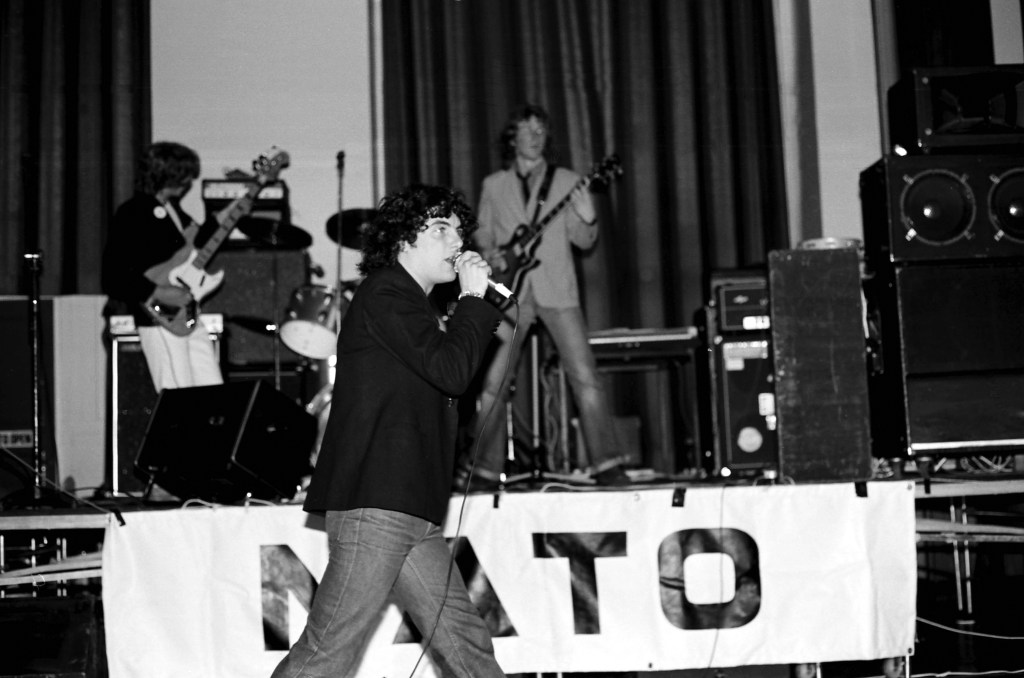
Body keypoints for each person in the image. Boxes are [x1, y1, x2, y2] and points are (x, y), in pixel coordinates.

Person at [271, 184, 506, 678]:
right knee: (327, 652)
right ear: (403, 239)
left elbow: (448, 375)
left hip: (410, 508)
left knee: (466, 643)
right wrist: (472, 300)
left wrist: (469, 309)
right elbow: (452, 372)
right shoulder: (385, 292)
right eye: (440, 229)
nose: (456, 241)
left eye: (459, 231)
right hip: (378, 507)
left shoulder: (416, 307)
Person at [462, 103, 630, 488]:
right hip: (511, 293)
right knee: (493, 381)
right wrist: (493, 254)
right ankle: (483, 469)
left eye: (541, 130)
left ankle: (606, 463)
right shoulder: (494, 185)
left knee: (585, 377)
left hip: (557, 289)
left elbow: (584, 240)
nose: (535, 137)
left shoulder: (568, 180)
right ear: (513, 138)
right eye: (527, 129)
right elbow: (483, 233)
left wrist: (588, 216)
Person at [101, 141, 223, 391]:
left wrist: (233, 211)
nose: (188, 181)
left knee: (213, 392)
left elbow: (195, 245)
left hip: (187, 313)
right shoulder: (133, 212)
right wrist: (158, 292)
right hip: (158, 316)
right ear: (168, 174)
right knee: (177, 396)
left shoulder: (173, 211)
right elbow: (113, 275)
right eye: (184, 174)